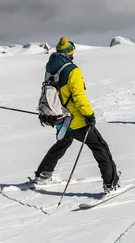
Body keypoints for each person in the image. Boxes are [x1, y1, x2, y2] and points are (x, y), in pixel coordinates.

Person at [34, 37, 120, 194]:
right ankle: (111, 183)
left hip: (59, 117)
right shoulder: (72, 70)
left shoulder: (51, 69)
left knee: (63, 142)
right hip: (76, 119)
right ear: (69, 52)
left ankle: (43, 174)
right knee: (100, 147)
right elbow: (79, 96)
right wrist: (89, 115)